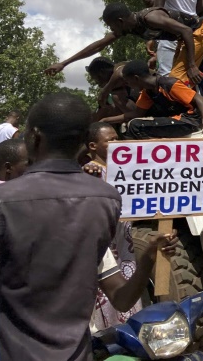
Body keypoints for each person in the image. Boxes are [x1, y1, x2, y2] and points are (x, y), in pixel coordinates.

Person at [0, 92, 173, 361]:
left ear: (34, 137)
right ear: (83, 143)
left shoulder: (4, 200)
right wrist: (147, 258)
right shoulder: (105, 200)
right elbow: (122, 299)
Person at [46, 2, 203, 87]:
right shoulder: (129, 27)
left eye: (111, 26)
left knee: (176, 80)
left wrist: (192, 65)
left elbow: (186, 30)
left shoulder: (149, 18)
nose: (112, 30)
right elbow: (97, 46)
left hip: (199, 32)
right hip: (184, 39)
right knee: (170, 79)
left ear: (120, 21)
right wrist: (64, 63)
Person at [85, 122, 144, 330]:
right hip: (105, 253)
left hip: (125, 251)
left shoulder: (125, 172)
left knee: (128, 297)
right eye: (110, 140)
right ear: (93, 146)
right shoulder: (90, 172)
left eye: (118, 138)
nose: (116, 143)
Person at [116, 59, 203, 138]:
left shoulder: (169, 84)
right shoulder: (148, 92)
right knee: (126, 127)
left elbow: (199, 99)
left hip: (189, 121)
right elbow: (137, 113)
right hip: (174, 121)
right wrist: (106, 120)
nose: (127, 85)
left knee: (136, 126)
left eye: (127, 81)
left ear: (136, 78)